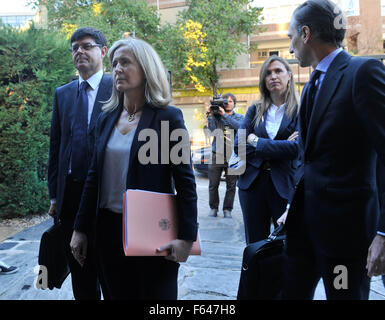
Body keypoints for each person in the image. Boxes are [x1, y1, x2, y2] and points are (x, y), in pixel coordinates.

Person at [70, 37, 198, 300]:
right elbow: (93, 178)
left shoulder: (167, 117)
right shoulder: (106, 119)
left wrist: (187, 238)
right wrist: (80, 228)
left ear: (146, 68)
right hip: (107, 232)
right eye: (114, 63)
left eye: (125, 62)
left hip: (153, 231)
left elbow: (185, 181)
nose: (117, 68)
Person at [279, 0, 385, 300]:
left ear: (306, 34)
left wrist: (383, 233)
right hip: (303, 233)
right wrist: (293, 207)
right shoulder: (311, 84)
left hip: (346, 239)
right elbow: (309, 156)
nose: (289, 49)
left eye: (290, 38)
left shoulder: (362, 72)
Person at [47, 27, 112, 300]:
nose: (79, 52)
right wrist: (54, 195)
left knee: (110, 269)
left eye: (86, 46)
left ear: (103, 51)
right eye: (74, 48)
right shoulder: (62, 94)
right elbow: (56, 147)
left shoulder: (117, 87)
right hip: (71, 195)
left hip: (106, 194)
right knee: (79, 269)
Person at [235, 55, 299, 245]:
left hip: (284, 186)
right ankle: (255, 277)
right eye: (268, 73)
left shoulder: (300, 110)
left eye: (278, 71)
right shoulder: (255, 110)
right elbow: (239, 145)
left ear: (289, 76)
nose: (273, 76)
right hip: (252, 185)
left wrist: (255, 141)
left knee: (285, 244)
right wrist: (282, 146)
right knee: (254, 245)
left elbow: (296, 148)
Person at [206, 93, 244, 218]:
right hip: (217, 153)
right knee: (213, 184)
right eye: (225, 101)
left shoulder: (239, 117)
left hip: (233, 155)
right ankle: (213, 208)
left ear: (234, 103)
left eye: (230, 101)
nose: (228, 103)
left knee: (231, 185)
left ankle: (227, 209)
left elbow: (239, 128)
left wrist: (224, 116)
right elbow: (211, 132)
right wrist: (210, 115)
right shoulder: (216, 117)